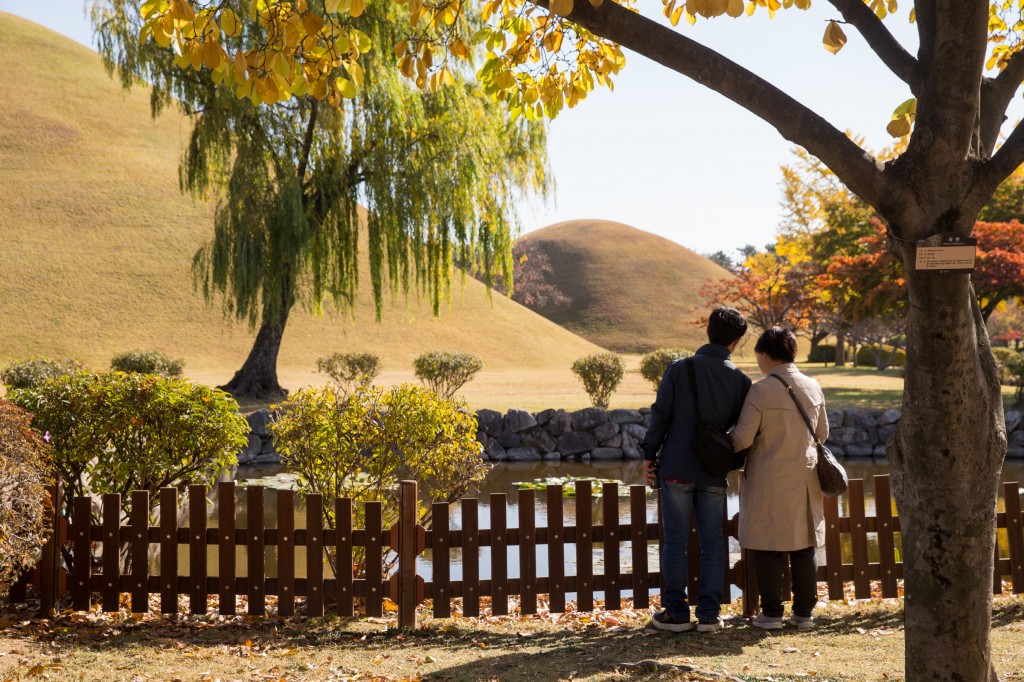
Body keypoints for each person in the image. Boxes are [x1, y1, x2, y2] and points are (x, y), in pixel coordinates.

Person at [642, 307, 751, 633]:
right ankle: (709, 614)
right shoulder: (741, 381)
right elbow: (742, 432)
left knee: (675, 541)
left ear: (708, 331)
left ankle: (676, 614)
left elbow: (661, 415)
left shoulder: (679, 368)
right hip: (713, 469)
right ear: (737, 341)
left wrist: (649, 454)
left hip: (677, 465)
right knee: (713, 542)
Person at [730, 326, 828, 631]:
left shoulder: (761, 390)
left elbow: (742, 439)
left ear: (763, 354)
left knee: (768, 544)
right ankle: (804, 613)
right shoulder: (813, 386)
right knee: (804, 545)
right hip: (806, 477)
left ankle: (771, 613)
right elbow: (822, 433)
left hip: (769, 479)